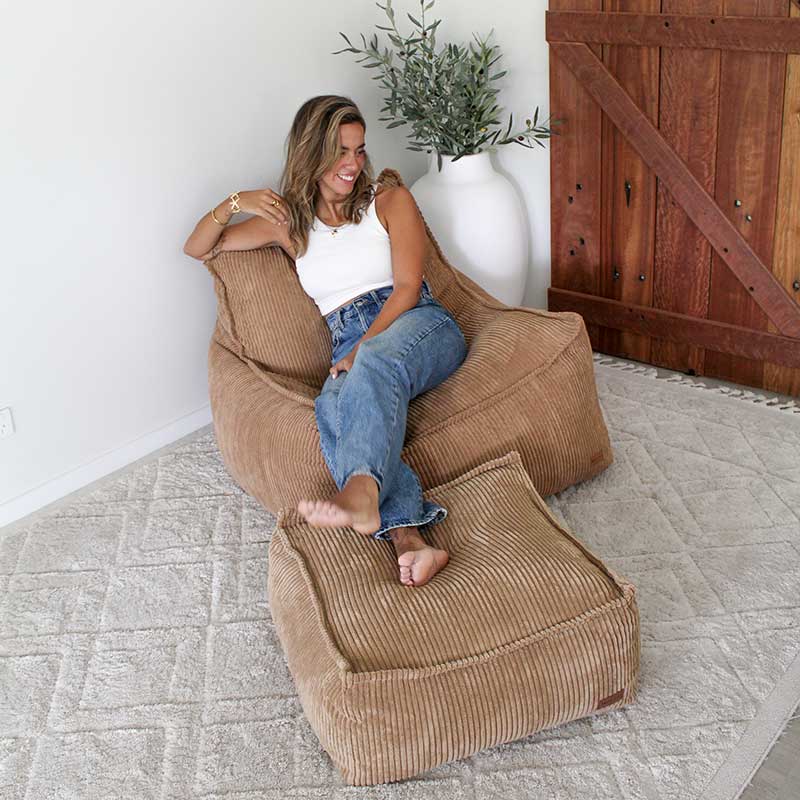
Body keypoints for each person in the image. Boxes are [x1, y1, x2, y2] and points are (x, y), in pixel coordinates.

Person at [183, 95, 468, 587]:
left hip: (420, 323)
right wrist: (235, 203)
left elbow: (405, 289)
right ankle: (411, 541)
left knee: (371, 363)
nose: (353, 164)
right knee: (333, 406)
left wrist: (363, 348)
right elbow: (198, 246)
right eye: (341, 151)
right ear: (311, 150)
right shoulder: (290, 224)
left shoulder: (388, 199)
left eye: (359, 150)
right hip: (349, 340)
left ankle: (361, 488)